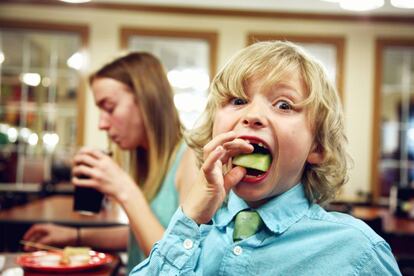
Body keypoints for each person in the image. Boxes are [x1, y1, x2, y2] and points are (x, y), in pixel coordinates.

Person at [130, 41, 401, 275]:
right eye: (237, 100)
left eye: (284, 105)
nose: (252, 115)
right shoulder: (188, 239)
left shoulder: (356, 251)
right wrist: (189, 215)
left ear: (316, 147)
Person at [22, 52, 197, 272]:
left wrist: (124, 190)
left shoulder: (191, 159)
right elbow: (142, 234)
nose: (102, 124)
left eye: (110, 107)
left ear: (146, 100)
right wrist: (75, 235)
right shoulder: (147, 161)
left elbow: (178, 264)